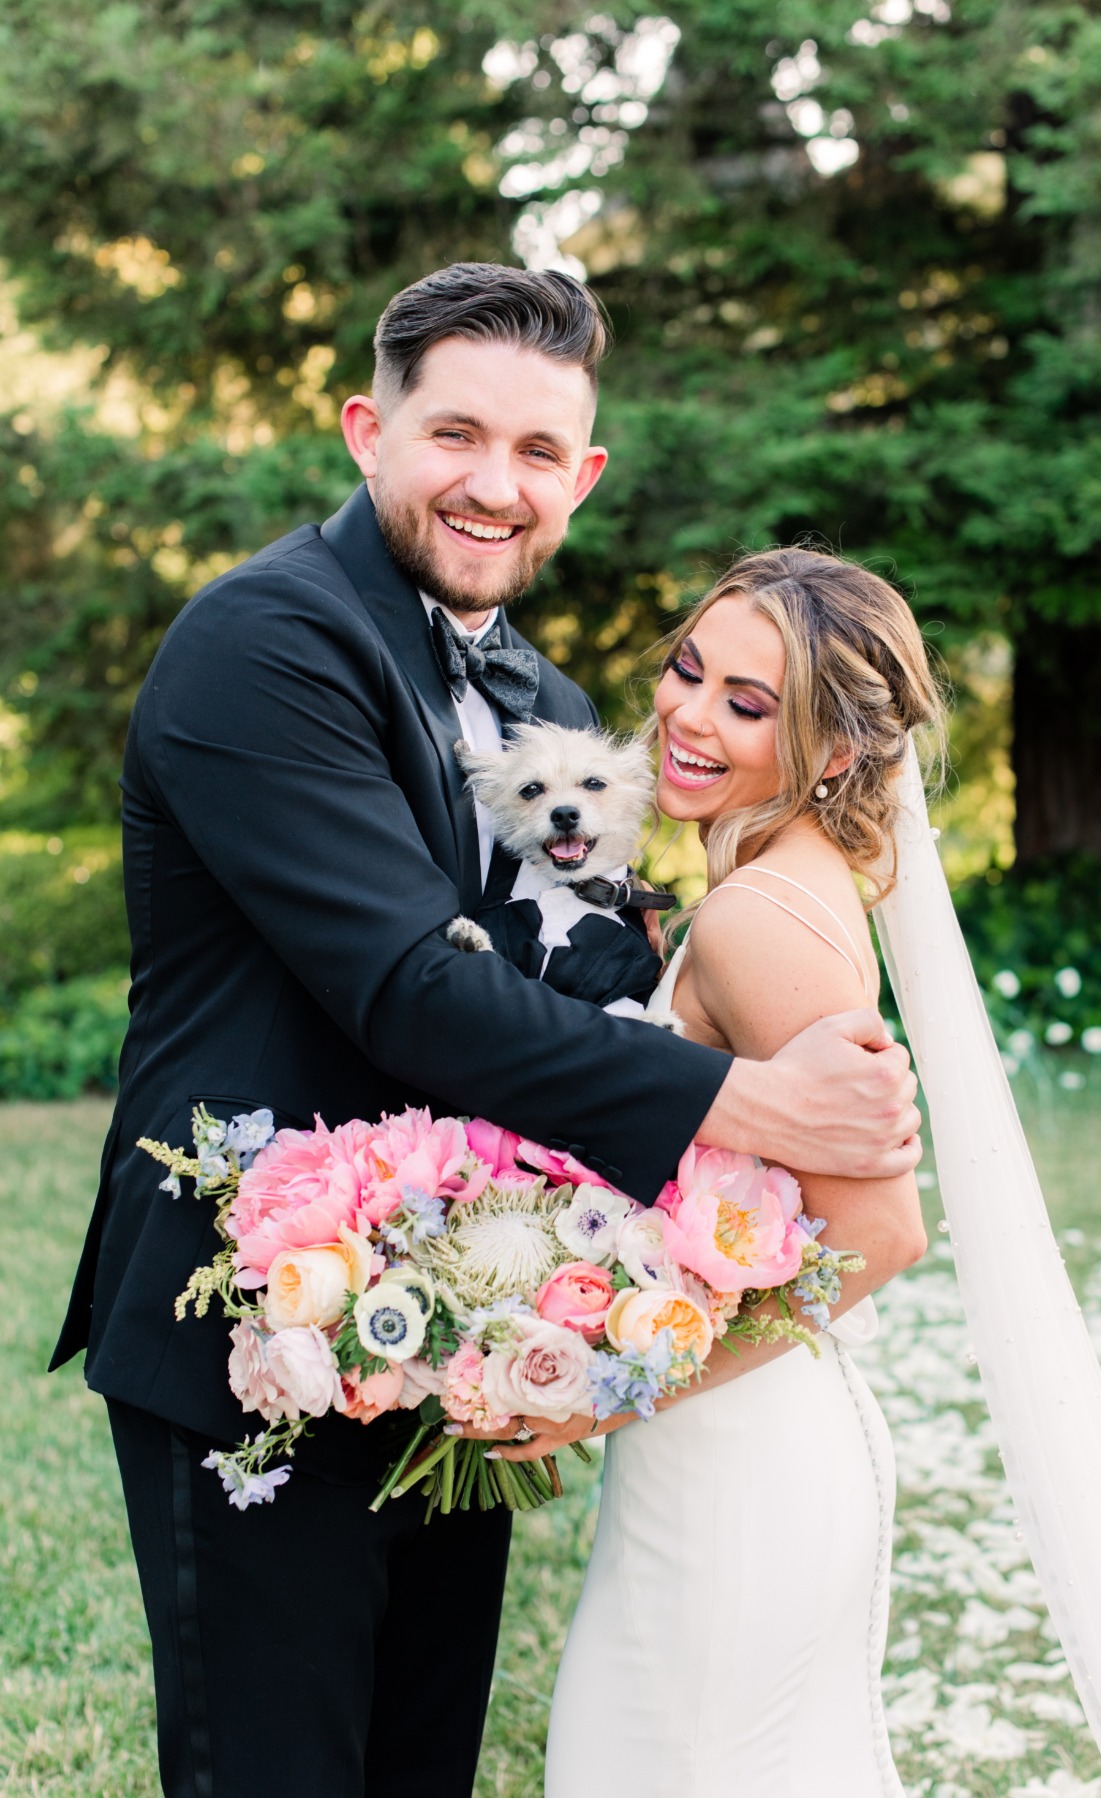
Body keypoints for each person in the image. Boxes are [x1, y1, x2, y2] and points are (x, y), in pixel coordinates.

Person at [50, 266, 922, 1798]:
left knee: (421, 1762)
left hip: (469, 1323)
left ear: (581, 477)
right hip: (261, 1311)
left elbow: (573, 982)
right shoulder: (266, 643)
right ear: (365, 429)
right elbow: (407, 987)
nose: (492, 484)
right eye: (456, 432)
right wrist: (753, 1102)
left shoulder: (544, 694)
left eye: (538, 453)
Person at [494, 547, 941, 1796]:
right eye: (689, 669)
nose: (689, 715)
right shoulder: (770, 882)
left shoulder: (754, 919)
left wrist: (607, 1391)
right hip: (721, 1447)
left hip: (740, 1467)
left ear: (835, 752)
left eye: (748, 705)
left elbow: (885, 1233)